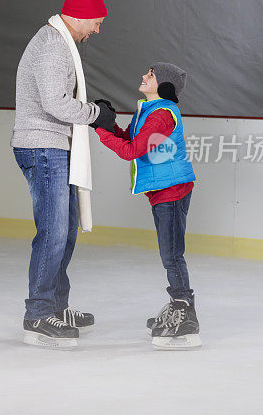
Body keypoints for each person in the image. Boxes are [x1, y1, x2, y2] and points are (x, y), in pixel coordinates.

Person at [11, 0, 107, 348]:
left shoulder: (60, 42)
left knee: (65, 232)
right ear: (79, 16)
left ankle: (56, 305)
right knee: (53, 234)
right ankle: (38, 314)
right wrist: (97, 115)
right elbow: (55, 103)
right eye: (95, 23)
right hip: (42, 147)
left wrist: (92, 111)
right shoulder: (52, 45)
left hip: (54, 146)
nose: (96, 31)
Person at [91, 62, 201, 350]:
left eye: (150, 75)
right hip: (162, 190)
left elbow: (131, 151)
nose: (143, 76)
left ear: (163, 85)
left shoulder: (162, 115)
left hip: (172, 190)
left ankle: (185, 312)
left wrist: (101, 132)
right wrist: (108, 123)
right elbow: (130, 139)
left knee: (171, 255)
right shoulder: (149, 111)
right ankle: (179, 304)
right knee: (170, 253)